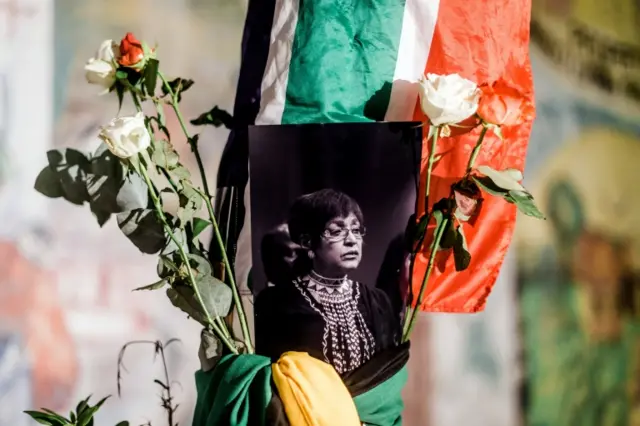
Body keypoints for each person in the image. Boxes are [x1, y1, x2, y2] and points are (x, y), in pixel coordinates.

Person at [254, 188, 400, 374]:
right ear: (307, 241)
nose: (352, 240)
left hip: (369, 402)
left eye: (356, 230)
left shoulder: (377, 301)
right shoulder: (275, 303)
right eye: (336, 231)